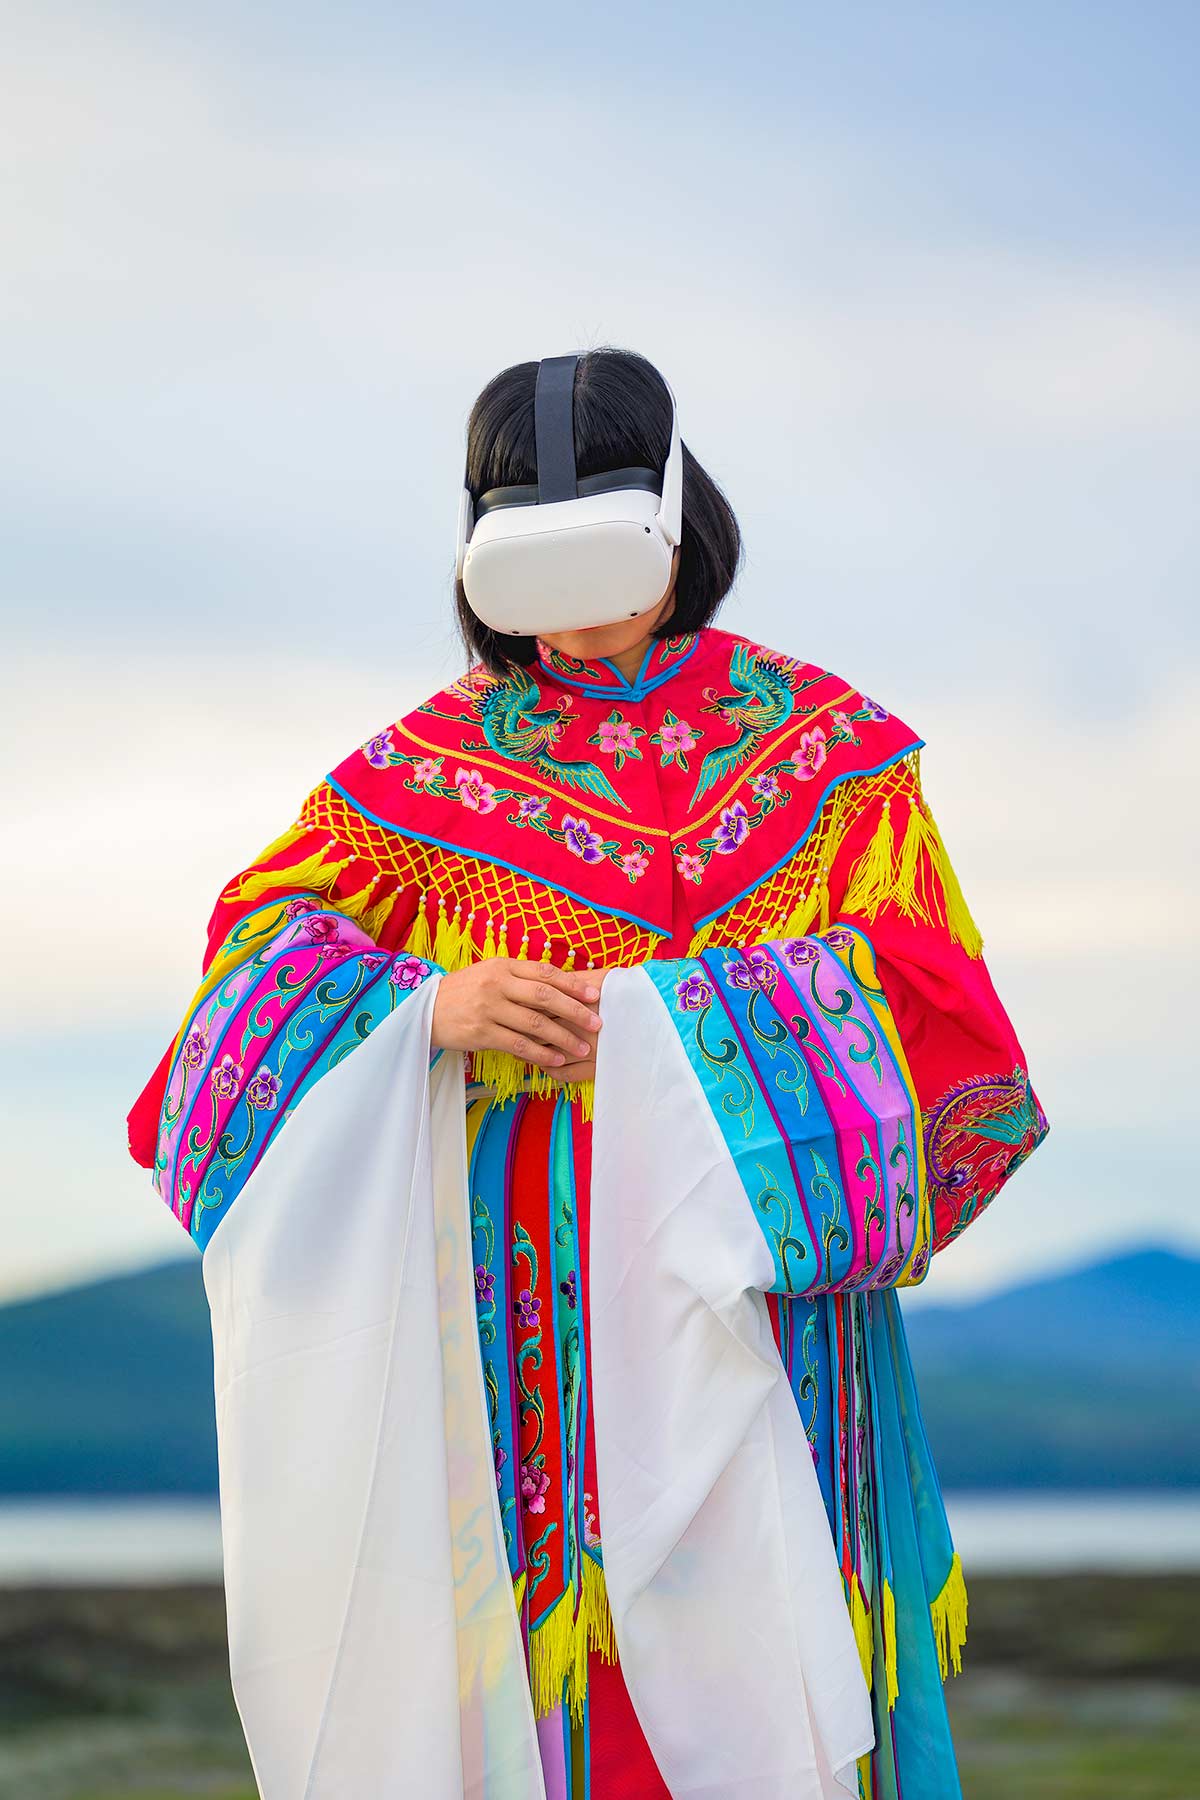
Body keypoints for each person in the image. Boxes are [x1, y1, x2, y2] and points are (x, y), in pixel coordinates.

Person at [126, 347, 1048, 1800]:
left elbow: (958, 1053)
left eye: (603, 576)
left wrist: (697, 1038)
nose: (575, 632)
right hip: (526, 1371)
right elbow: (223, 1034)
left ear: (682, 531)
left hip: (780, 1347)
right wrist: (421, 1010)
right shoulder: (407, 788)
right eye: (529, 596)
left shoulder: (834, 762)